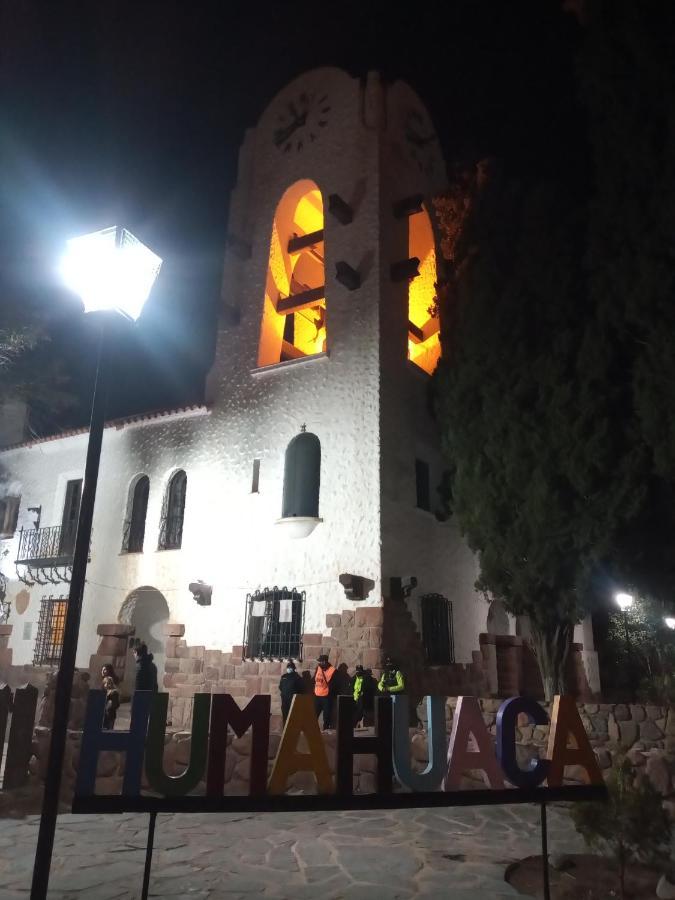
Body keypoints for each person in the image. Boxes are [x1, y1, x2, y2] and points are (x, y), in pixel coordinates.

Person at [313, 654, 336, 730]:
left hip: (326, 697)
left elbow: (334, 685)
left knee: (326, 716)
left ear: (325, 661)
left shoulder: (332, 670)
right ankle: (313, 730)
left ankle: (325, 731)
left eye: (320, 661)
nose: (319, 663)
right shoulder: (318, 668)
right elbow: (315, 679)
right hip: (317, 696)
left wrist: (330, 694)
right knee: (314, 715)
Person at [278, 660, 304, 724]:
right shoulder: (284, 676)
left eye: (290, 667)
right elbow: (280, 687)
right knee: (285, 714)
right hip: (284, 699)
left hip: (292, 700)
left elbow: (301, 689)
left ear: (294, 668)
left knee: (292, 716)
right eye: (288, 667)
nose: (289, 669)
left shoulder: (297, 677)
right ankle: (284, 730)